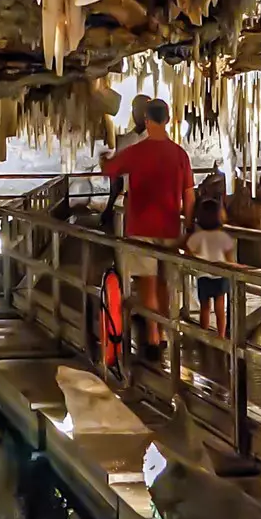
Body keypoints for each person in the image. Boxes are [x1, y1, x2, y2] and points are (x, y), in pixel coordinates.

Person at [99, 99, 193, 356]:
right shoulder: (179, 154)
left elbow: (110, 171)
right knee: (165, 283)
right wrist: (190, 226)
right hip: (171, 225)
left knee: (148, 284)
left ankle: (152, 336)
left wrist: (103, 159)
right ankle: (164, 332)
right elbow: (190, 195)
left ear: (147, 121)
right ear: (168, 119)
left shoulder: (136, 152)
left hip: (141, 226)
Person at [99, 94, 153, 235]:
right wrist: (109, 206)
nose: (138, 113)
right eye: (136, 109)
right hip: (131, 200)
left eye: (143, 109)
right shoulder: (124, 141)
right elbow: (117, 177)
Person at [184, 197, 236, 337]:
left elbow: (188, 251)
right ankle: (221, 335)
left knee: (205, 308)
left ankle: (204, 333)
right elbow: (229, 257)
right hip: (220, 275)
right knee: (220, 308)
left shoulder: (197, 236)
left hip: (203, 275)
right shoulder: (223, 236)